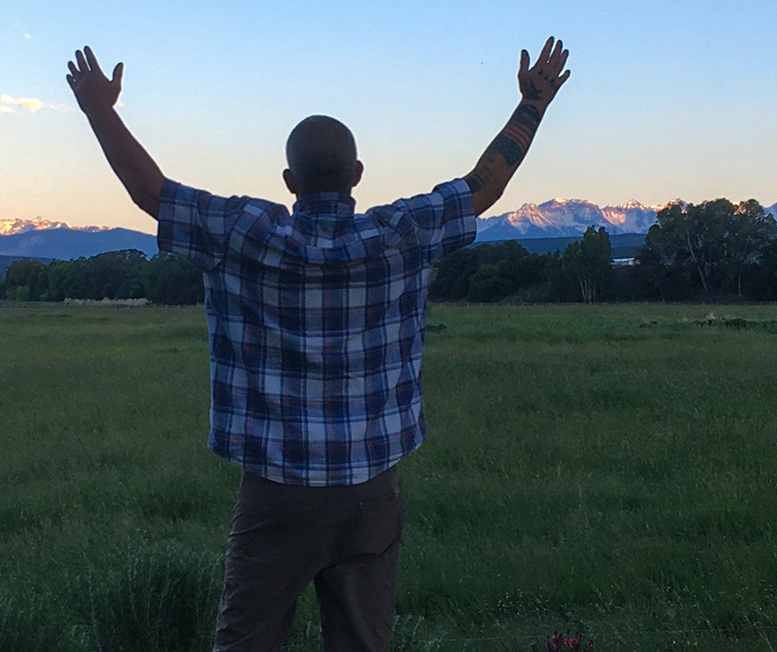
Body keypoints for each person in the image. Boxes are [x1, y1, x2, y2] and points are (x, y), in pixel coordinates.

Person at [65, 37, 571, 652]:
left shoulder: (245, 232)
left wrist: (100, 110)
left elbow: (153, 193)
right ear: (357, 176)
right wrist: (533, 105)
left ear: (289, 181)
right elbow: (484, 186)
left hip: (275, 492)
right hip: (369, 491)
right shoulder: (401, 234)